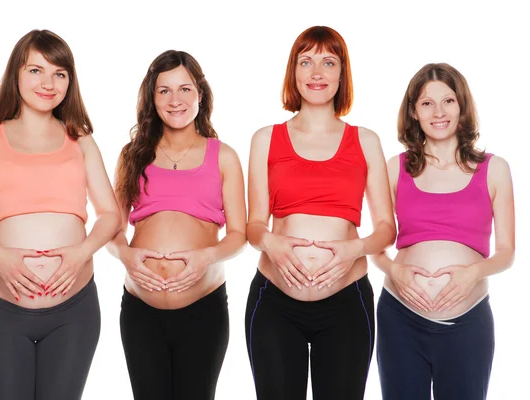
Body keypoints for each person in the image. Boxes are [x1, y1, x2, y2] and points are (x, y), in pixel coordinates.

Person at [0, 30, 120, 400]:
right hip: (2, 312)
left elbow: (110, 214)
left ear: (70, 82)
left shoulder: (81, 140)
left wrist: (80, 253)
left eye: (59, 73)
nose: (48, 83)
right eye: (36, 70)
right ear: (16, 74)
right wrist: (0, 258)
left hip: (73, 313)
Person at [244, 25, 396, 400]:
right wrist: (272, 244)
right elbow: (254, 224)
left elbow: (385, 229)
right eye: (306, 62)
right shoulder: (265, 138)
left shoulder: (366, 141)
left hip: (347, 300)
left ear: (341, 74)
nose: (316, 73)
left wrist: (353, 249)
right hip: (274, 300)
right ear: (293, 73)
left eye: (328, 62)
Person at [107, 50, 247, 400]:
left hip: (203, 310)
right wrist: (125, 255)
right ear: (151, 99)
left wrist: (207, 257)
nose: (175, 100)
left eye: (185, 89)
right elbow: (111, 230)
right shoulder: (131, 155)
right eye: (164, 90)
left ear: (200, 94)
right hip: (140, 311)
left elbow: (240, 236)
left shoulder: (223, 155)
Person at [372, 63, 515, 400]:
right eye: (427, 103)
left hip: (467, 322)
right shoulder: (394, 168)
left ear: (461, 106)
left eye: (448, 101)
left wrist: (473, 273)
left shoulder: (494, 169)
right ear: (413, 113)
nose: (439, 112)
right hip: (399, 317)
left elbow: (507, 252)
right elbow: (376, 243)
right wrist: (395, 270)